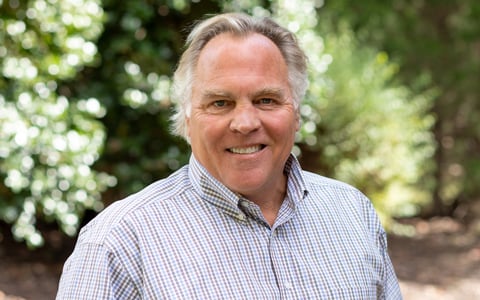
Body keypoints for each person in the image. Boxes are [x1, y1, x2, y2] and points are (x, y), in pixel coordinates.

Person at [56, 12, 402, 299]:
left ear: (296, 113)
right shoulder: (118, 244)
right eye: (220, 103)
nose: (246, 123)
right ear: (187, 119)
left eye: (266, 100)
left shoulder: (352, 213)